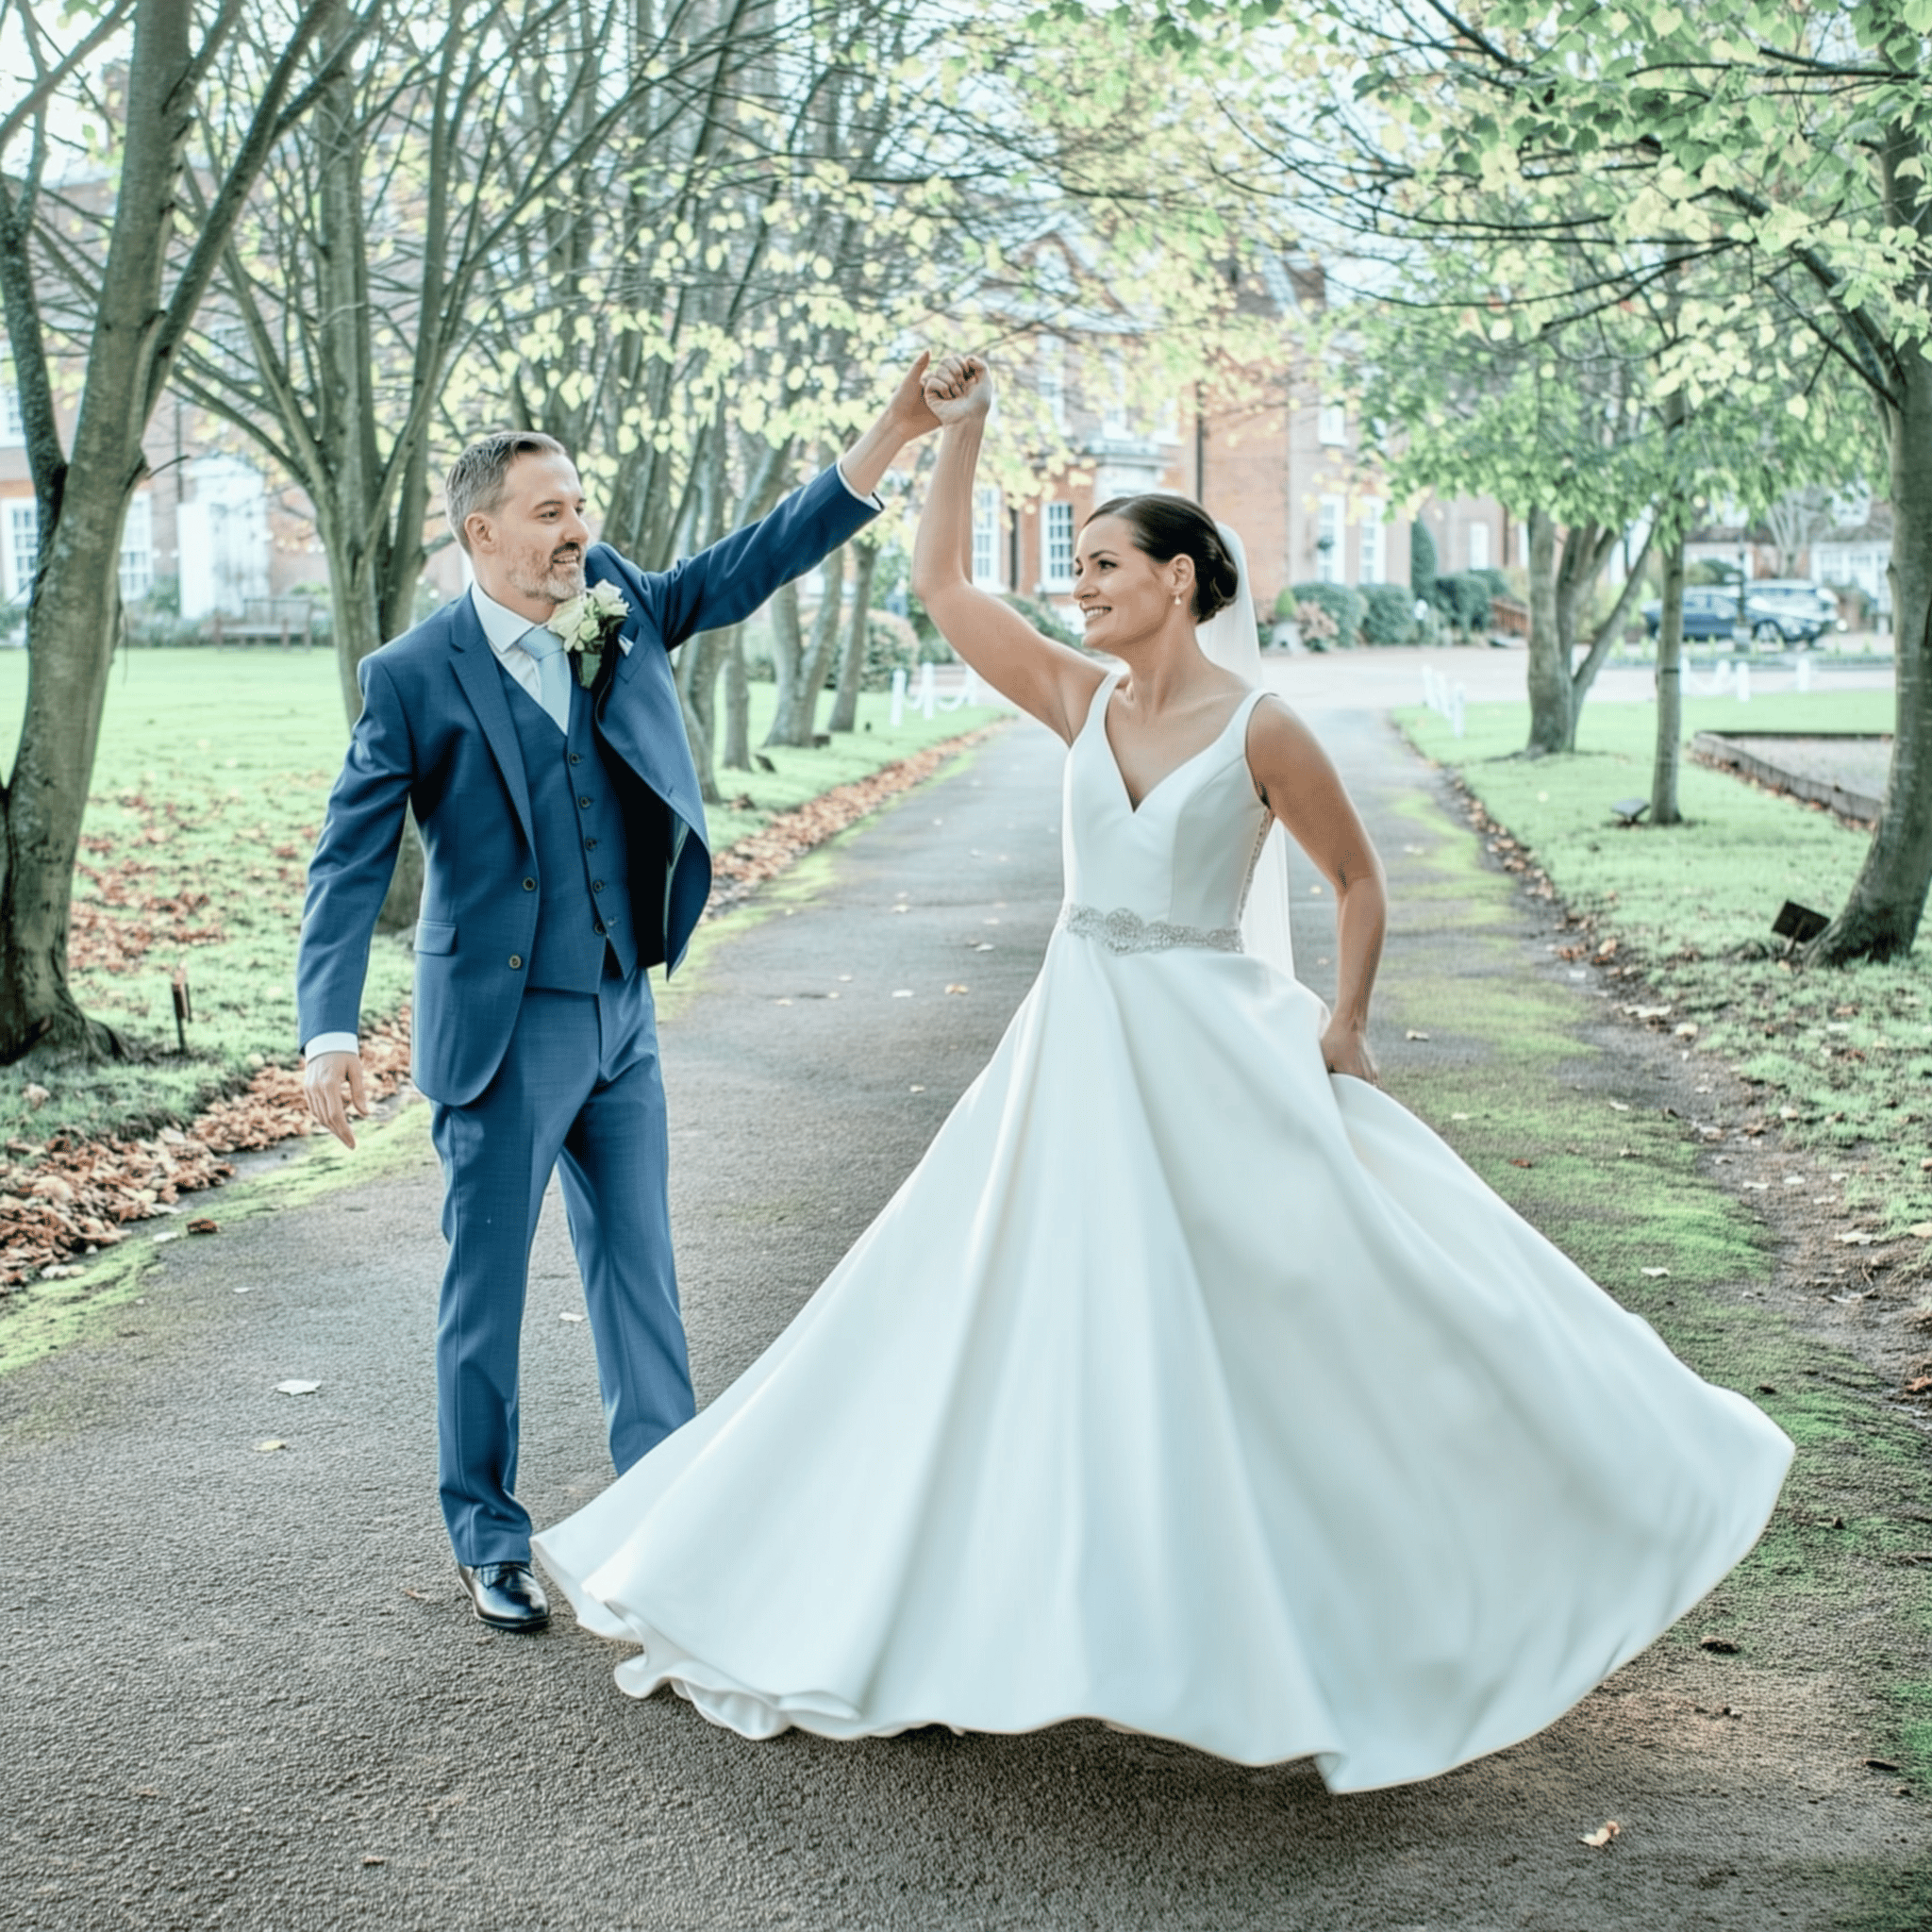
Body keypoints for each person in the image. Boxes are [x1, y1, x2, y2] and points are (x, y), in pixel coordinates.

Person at [533, 355, 1791, 1790]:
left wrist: (1349, 1023)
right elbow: (947, 587)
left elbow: (1358, 881)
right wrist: (964, 435)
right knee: (1010, 1317)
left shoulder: (1264, 728)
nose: (1083, 589)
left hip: (1212, 1046)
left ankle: (1401, 1570)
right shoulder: (1079, 698)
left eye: (1109, 567)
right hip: (1074, 1052)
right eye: (1077, 571)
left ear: (1188, 581)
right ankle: (993, 1606)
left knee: (1300, 1306)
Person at [295, 356, 941, 1634]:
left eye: (580, 504)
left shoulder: (619, 602)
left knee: (641, 1273)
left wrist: (897, 430)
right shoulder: (413, 676)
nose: (577, 527)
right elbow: (349, 859)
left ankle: (669, 1520)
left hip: (621, 1014)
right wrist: (327, 1026)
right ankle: (487, 1534)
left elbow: (751, 560)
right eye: (549, 510)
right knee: (482, 1297)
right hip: (496, 1033)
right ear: (481, 532)